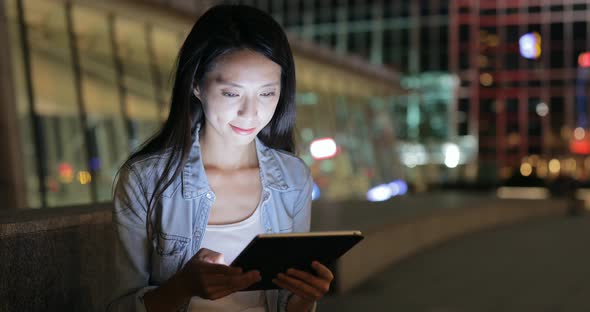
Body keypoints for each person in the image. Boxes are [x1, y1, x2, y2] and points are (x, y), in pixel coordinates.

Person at [106, 4, 333, 312]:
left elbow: (286, 305)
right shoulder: (147, 180)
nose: (250, 113)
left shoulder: (293, 177)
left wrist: (306, 296)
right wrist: (183, 286)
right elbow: (121, 306)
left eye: (267, 93)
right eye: (231, 93)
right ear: (196, 84)